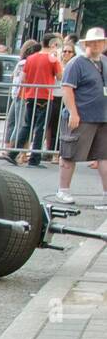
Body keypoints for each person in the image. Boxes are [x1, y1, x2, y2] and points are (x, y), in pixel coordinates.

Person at [55, 27, 107, 205]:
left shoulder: (104, 62)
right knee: (69, 154)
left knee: (104, 156)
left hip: (102, 117)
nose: (96, 45)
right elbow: (67, 88)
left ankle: (106, 194)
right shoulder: (76, 63)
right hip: (81, 116)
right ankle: (63, 190)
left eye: (100, 42)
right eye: (93, 42)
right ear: (86, 44)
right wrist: (73, 113)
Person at [6, 33, 61, 168]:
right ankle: (34, 159)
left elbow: (24, 78)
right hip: (45, 96)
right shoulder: (52, 59)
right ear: (53, 44)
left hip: (30, 95)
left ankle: (13, 153)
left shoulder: (30, 58)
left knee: (27, 125)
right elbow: (60, 76)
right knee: (40, 127)